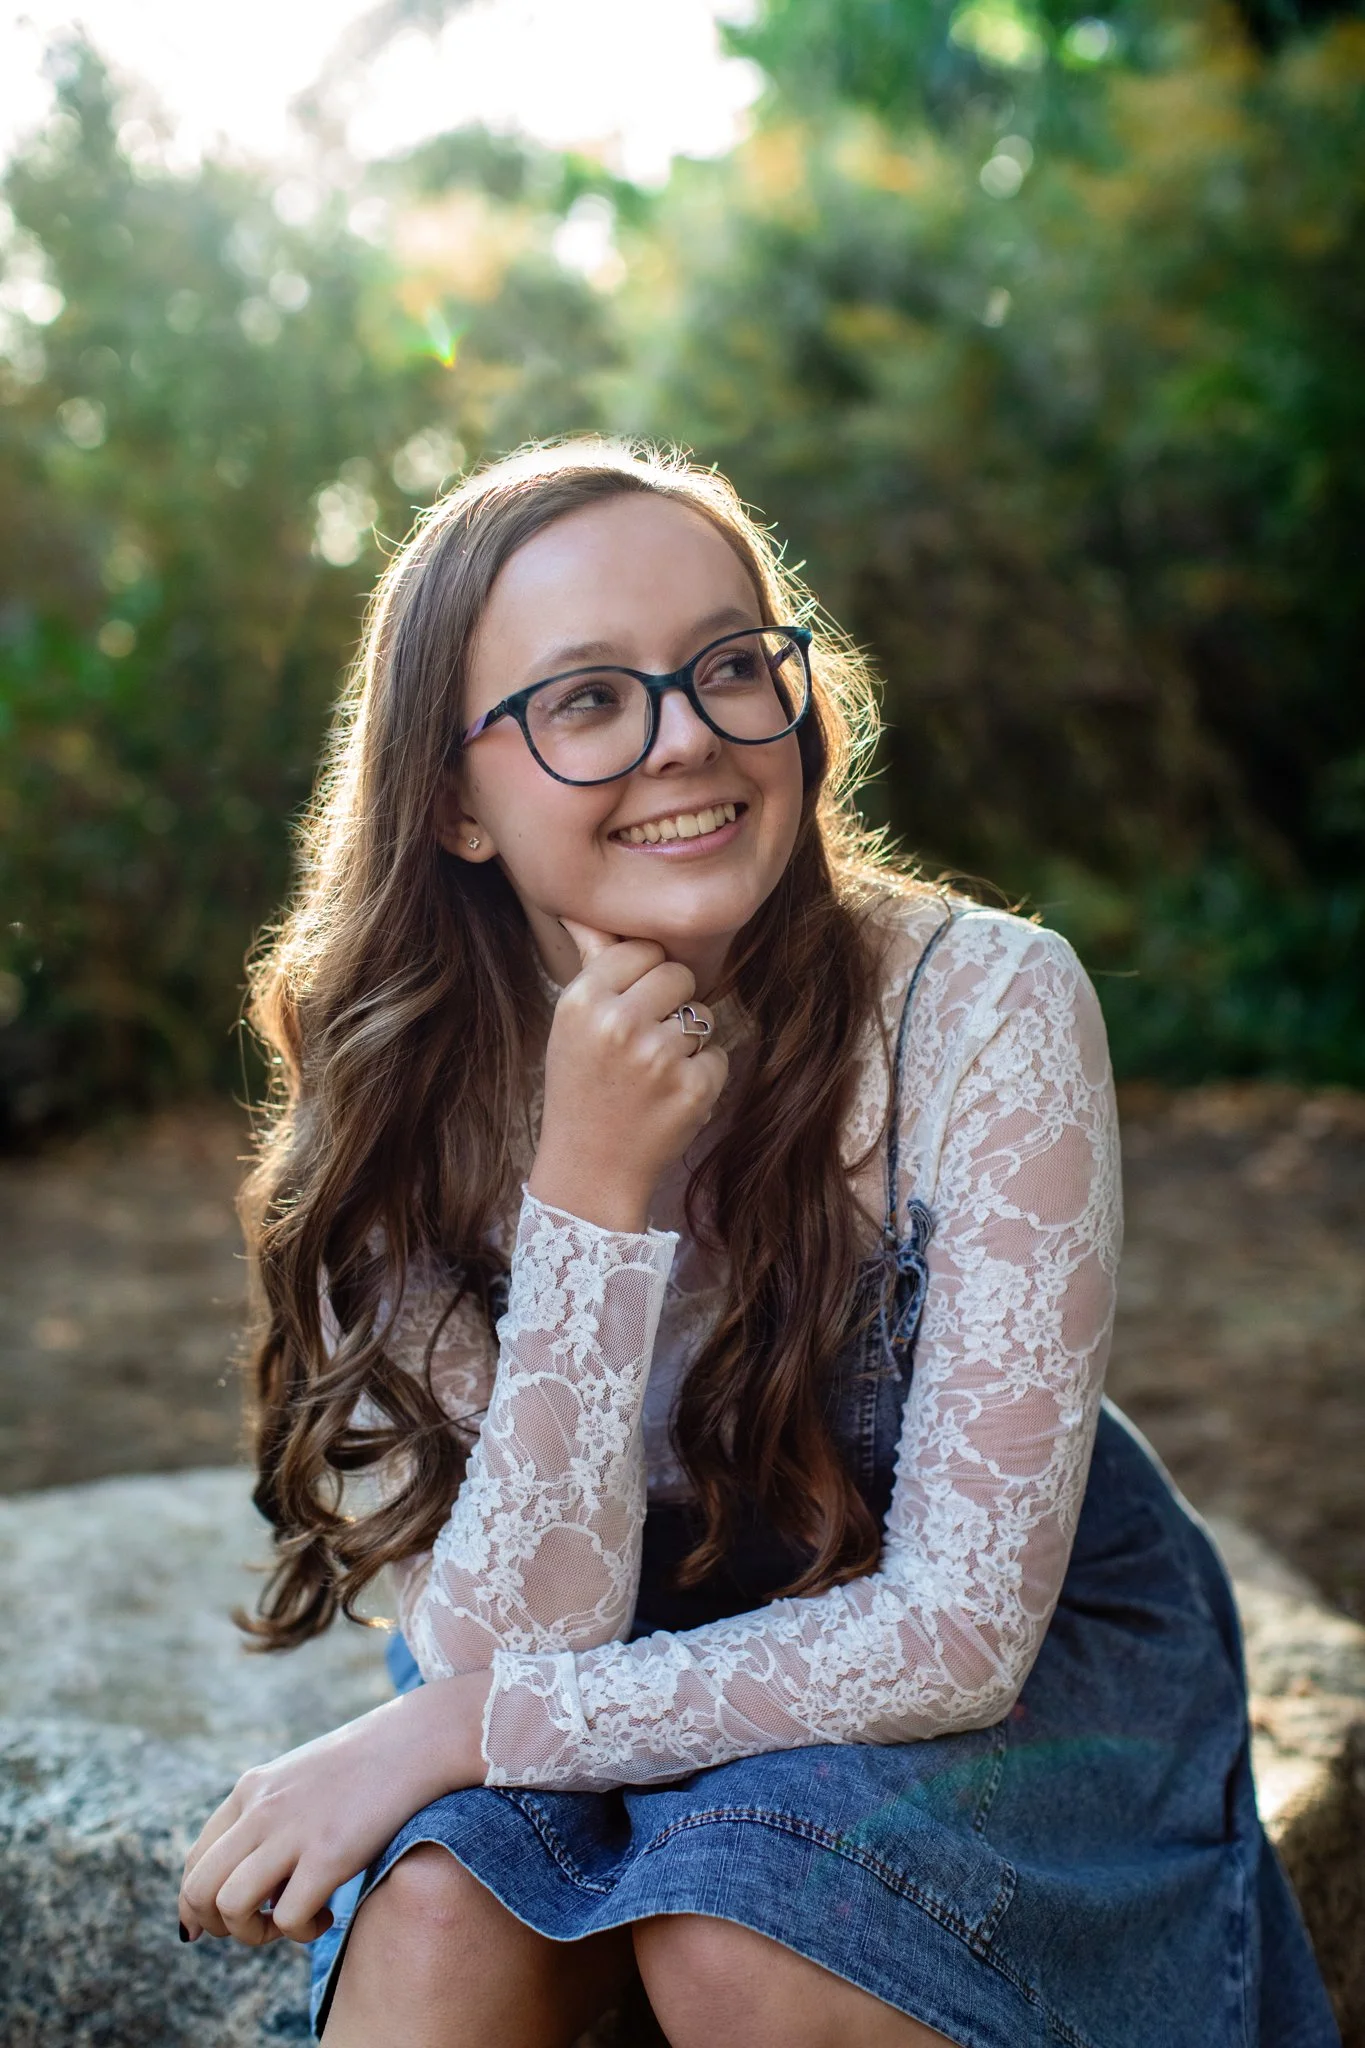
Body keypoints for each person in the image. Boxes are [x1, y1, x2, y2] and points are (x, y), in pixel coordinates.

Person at [177, 440, 1338, 2048]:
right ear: (449, 796)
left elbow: (957, 1634)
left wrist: (446, 1735)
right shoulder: (406, 1074)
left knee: (747, 1930)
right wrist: (591, 1196)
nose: (691, 742)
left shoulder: (983, 1005)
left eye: (732, 665)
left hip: (992, 1658)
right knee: (440, 1923)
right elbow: (514, 1637)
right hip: (606, 1634)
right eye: (587, 700)